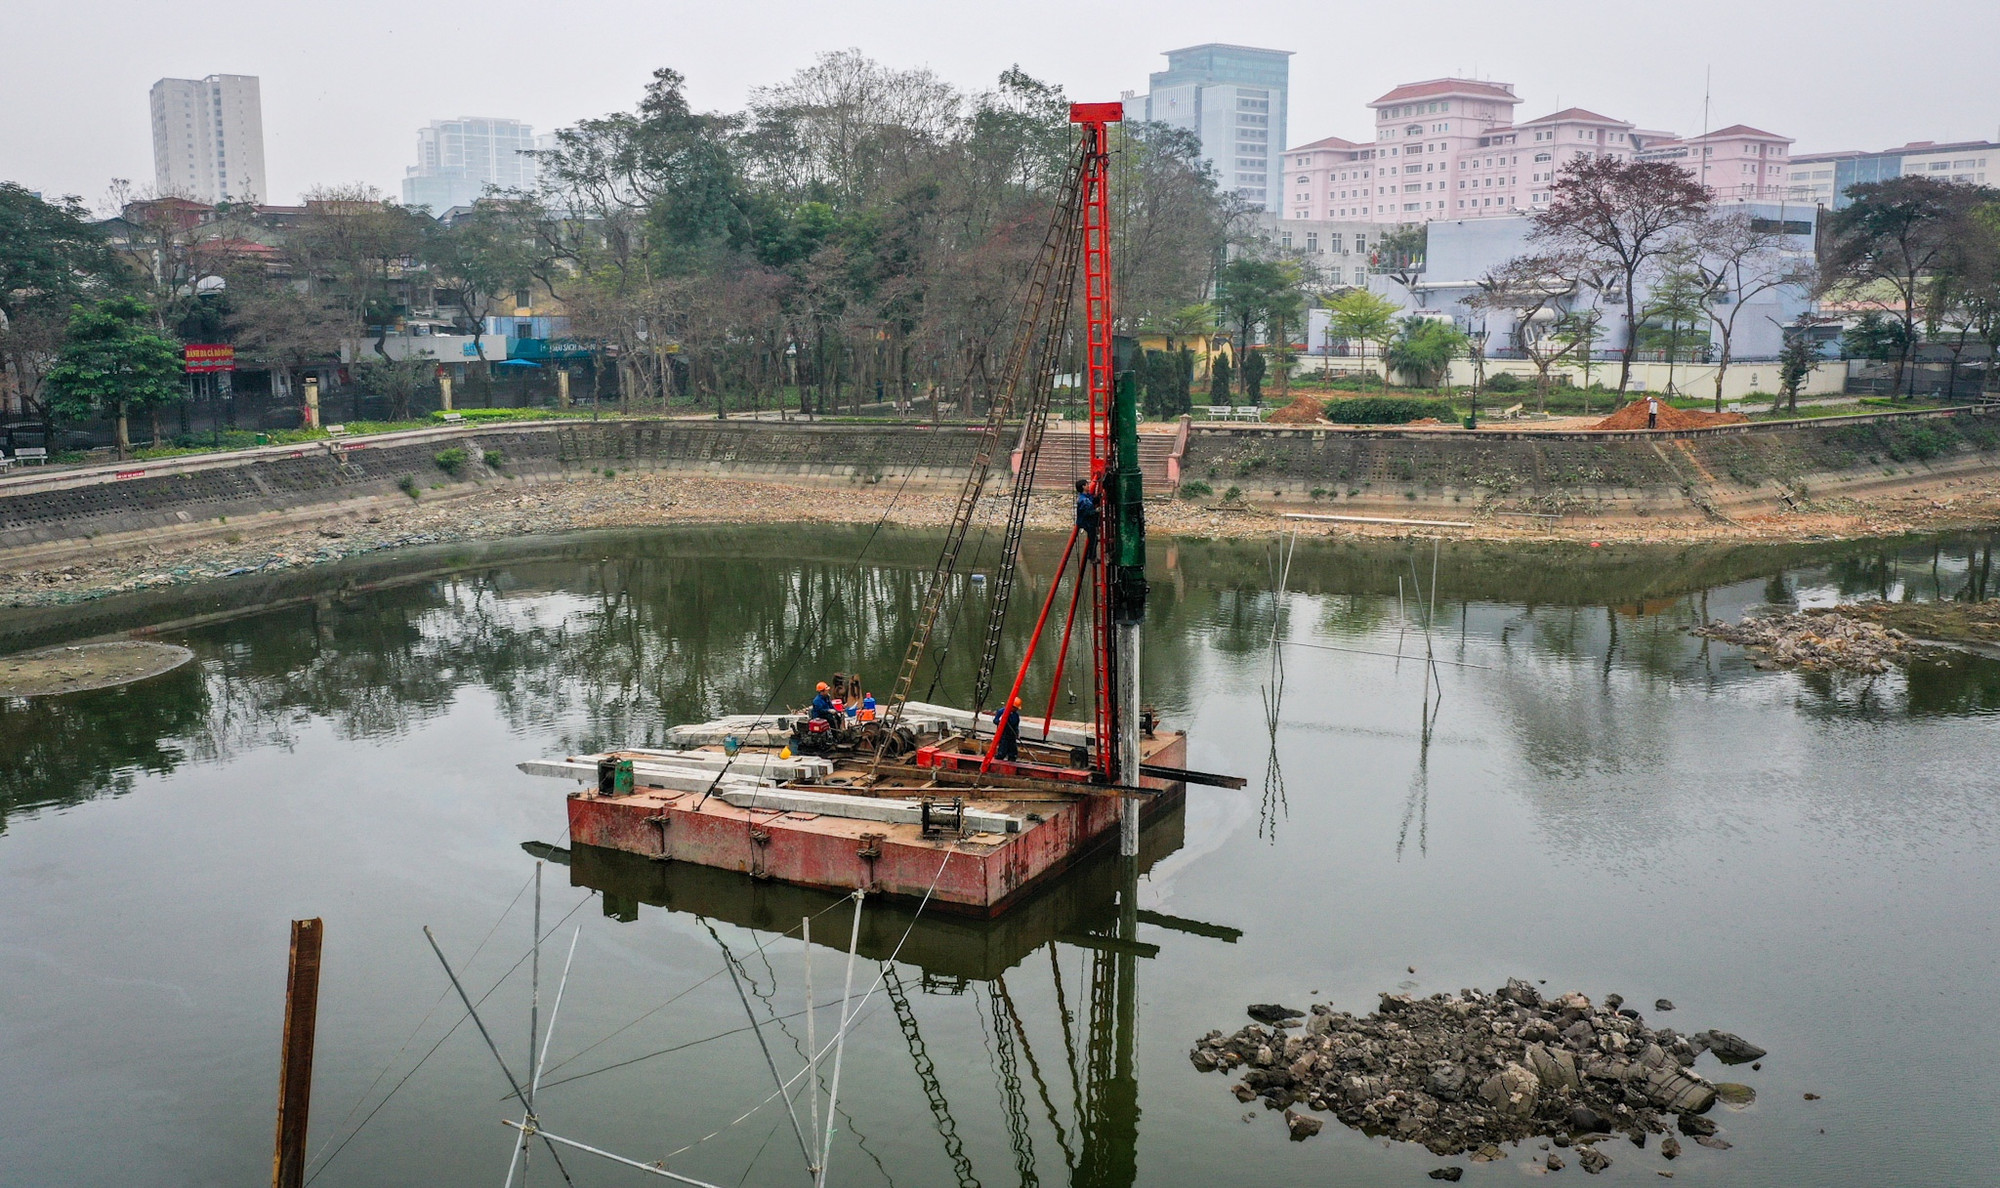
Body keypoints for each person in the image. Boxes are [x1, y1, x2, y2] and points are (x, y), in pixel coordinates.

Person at [1074, 478, 1100, 557]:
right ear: (1083, 487)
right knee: (1093, 539)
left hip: (1087, 522)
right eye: (1087, 484)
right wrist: (1096, 510)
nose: (1088, 486)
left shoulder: (1085, 497)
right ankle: (1092, 556)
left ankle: (1091, 556)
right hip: (1087, 523)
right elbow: (1088, 512)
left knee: (1092, 538)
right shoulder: (1084, 500)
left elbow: (1092, 500)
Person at [993, 697, 1023, 762]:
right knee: (1003, 750)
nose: (1016, 710)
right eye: (1015, 708)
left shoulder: (1016, 715)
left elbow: (1016, 725)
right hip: (1003, 734)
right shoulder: (1002, 711)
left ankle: (1012, 759)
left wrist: (1017, 733)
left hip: (1012, 735)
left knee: (1013, 750)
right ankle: (998, 760)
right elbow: (995, 720)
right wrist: (1001, 722)